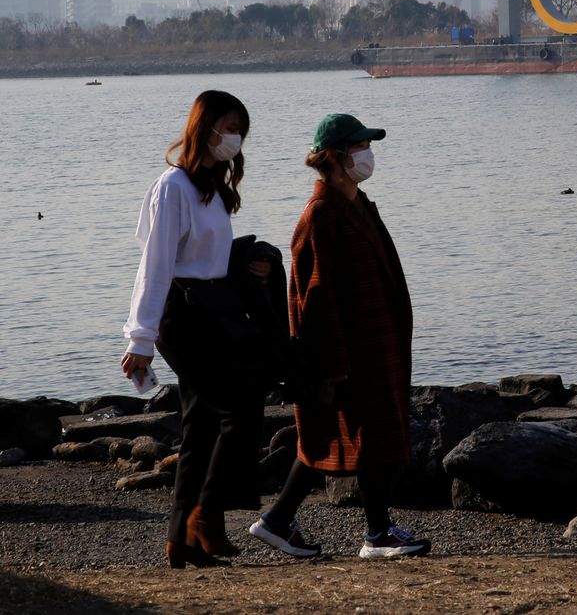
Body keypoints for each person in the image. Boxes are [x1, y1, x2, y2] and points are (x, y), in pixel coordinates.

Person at [248, 113, 429, 560]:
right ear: (334, 157)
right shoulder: (321, 215)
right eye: (360, 147)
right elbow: (315, 297)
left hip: (375, 343)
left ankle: (277, 521)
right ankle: (377, 533)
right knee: (361, 437)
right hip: (349, 350)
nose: (368, 155)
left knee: (335, 437)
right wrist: (331, 365)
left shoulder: (357, 203)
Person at [120, 90, 270, 569]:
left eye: (238, 128)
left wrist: (251, 266)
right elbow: (156, 264)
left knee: (202, 424)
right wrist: (139, 340)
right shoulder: (173, 187)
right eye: (227, 125)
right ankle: (206, 515)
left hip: (212, 310)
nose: (234, 136)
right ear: (202, 127)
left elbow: (211, 259)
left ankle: (181, 538)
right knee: (238, 409)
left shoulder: (211, 189)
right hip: (181, 315)